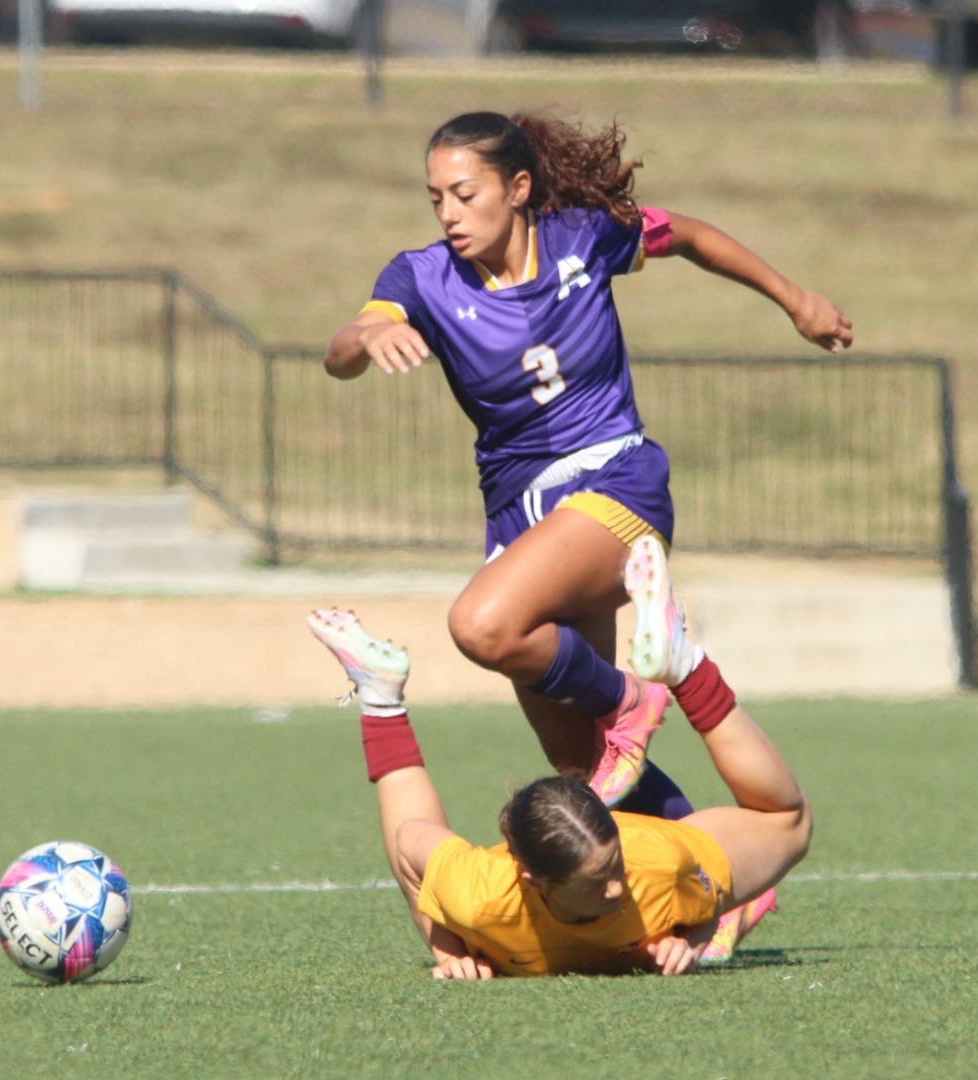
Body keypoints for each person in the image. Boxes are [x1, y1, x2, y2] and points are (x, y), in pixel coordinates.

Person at [322, 110, 852, 813]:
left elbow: (690, 235)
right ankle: (702, 866)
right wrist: (366, 337)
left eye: (465, 194)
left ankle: (631, 697)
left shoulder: (582, 236)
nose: (448, 213)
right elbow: (344, 350)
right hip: (519, 515)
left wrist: (796, 299)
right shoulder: (423, 277)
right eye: (436, 198)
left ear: (517, 188)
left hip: (615, 483)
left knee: (481, 625)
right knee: (586, 764)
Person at [309, 535, 812, 977]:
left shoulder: (656, 868)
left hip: (663, 848)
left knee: (791, 822)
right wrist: (448, 948)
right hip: (519, 889)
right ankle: (382, 697)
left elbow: (711, 891)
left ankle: (686, 665)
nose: (616, 889)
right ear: (533, 883)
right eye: (597, 881)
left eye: (613, 867)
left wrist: (691, 939)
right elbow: (411, 841)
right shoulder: (481, 895)